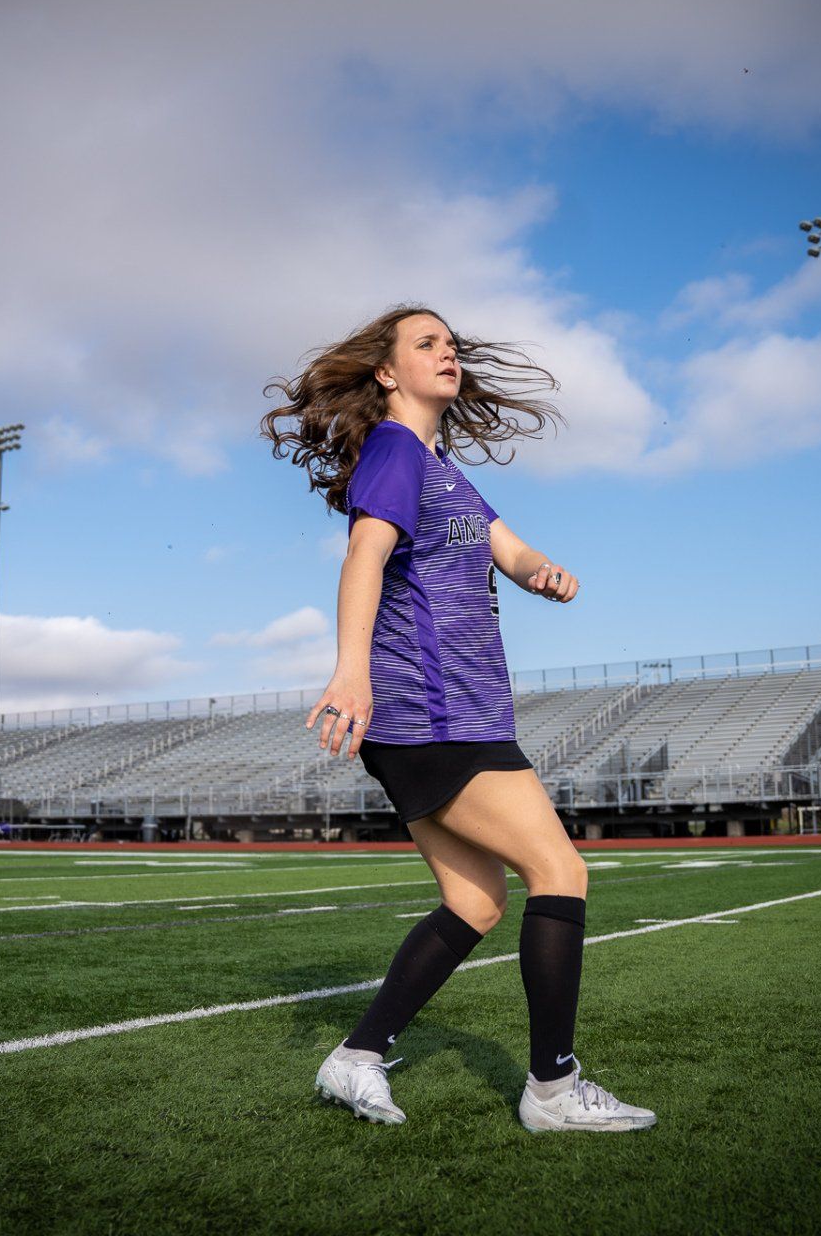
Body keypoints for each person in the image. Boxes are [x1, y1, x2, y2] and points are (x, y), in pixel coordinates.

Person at [260, 305, 655, 1133]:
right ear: (387, 372)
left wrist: (541, 569)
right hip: (432, 713)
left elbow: (505, 548)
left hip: (457, 711)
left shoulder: (445, 469)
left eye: (453, 346)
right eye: (427, 345)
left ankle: (355, 1057)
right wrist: (351, 670)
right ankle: (552, 1089)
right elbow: (364, 556)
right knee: (562, 872)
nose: (448, 355)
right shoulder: (397, 453)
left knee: (476, 903)